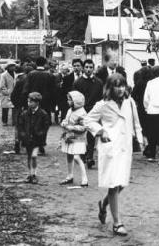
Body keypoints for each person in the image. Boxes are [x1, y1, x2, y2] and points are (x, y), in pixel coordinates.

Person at [84, 73, 143, 237]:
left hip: (125, 146)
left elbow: (136, 122)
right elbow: (88, 120)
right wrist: (100, 131)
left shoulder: (130, 102)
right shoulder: (102, 104)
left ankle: (103, 205)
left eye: (123, 85)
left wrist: (140, 139)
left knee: (122, 183)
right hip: (110, 146)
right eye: (117, 86)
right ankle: (117, 223)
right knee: (113, 183)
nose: (121, 89)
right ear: (110, 88)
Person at [22, 57, 57, 155]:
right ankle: (41, 143)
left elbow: (26, 89)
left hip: (33, 103)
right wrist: (53, 104)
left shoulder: (31, 75)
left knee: (31, 123)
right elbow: (54, 91)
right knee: (44, 124)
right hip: (46, 104)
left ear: (36, 64)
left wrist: (26, 101)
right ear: (45, 64)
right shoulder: (50, 75)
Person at [74, 59, 104, 169]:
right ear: (83, 68)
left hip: (94, 111)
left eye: (90, 67)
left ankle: (90, 156)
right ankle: (82, 154)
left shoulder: (99, 82)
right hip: (81, 110)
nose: (88, 69)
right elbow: (75, 98)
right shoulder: (78, 82)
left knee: (92, 134)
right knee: (81, 134)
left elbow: (101, 98)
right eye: (86, 67)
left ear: (93, 68)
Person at [17, 92, 51, 184]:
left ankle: (34, 174)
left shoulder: (43, 114)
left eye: (31, 102)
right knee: (29, 156)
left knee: (34, 156)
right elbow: (20, 126)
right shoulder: (24, 113)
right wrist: (23, 135)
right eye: (28, 102)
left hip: (37, 139)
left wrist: (40, 133)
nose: (29, 103)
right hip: (27, 139)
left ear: (37, 103)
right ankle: (30, 174)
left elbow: (46, 126)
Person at [59, 91, 88, 187]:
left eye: (70, 100)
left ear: (76, 101)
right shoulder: (70, 110)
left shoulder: (82, 113)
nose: (68, 101)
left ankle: (84, 178)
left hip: (78, 138)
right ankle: (70, 175)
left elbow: (84, 127)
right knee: (69, 155)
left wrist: (72, 127)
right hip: (69, 137)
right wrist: (64, 122)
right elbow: (67, 119)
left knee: (76, 157)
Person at [10, 65, 29, 153]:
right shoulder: (28, 79)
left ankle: (17, 144)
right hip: (28, 106)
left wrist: (17, 105)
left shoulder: (19, 80)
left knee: (18, 126)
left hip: (20, 107)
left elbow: (13, 95)